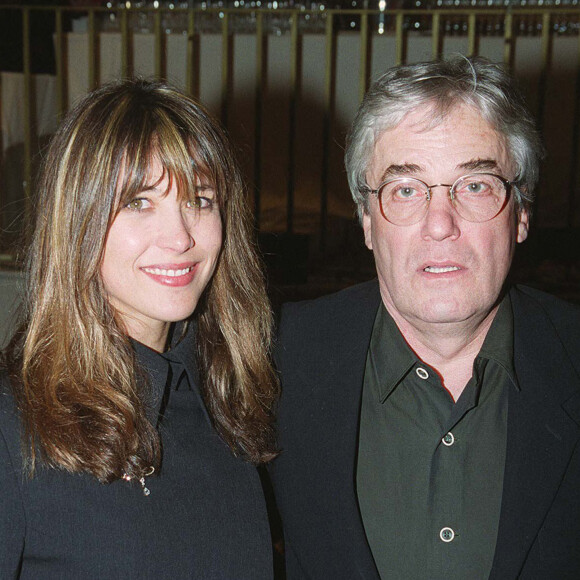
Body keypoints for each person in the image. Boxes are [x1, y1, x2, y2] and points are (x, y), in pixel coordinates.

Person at [269, 56, 580, 579]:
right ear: (367, 222)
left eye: (475, 185)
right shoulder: (273, 363)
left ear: (521, 213)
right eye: (406, 190)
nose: (440, 225)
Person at [0, 79, 278, 578]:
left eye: (199, 199)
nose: (180, 238)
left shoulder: (230, 402)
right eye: (138, 202)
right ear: (77, 220)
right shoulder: (12, 426)